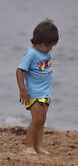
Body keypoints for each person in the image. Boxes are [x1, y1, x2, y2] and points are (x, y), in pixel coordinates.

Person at [16, 18, 59, 156]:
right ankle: (29, 146)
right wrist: (22, 89)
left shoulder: (45, 53)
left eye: (52, 46)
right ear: (38, 42)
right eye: (48, 46)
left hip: (45, 93)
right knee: (36, 120)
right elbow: (20, 70)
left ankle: (39, 146)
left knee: (42, 122)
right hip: (34, 93)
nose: (50, 48)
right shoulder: (31, 53)